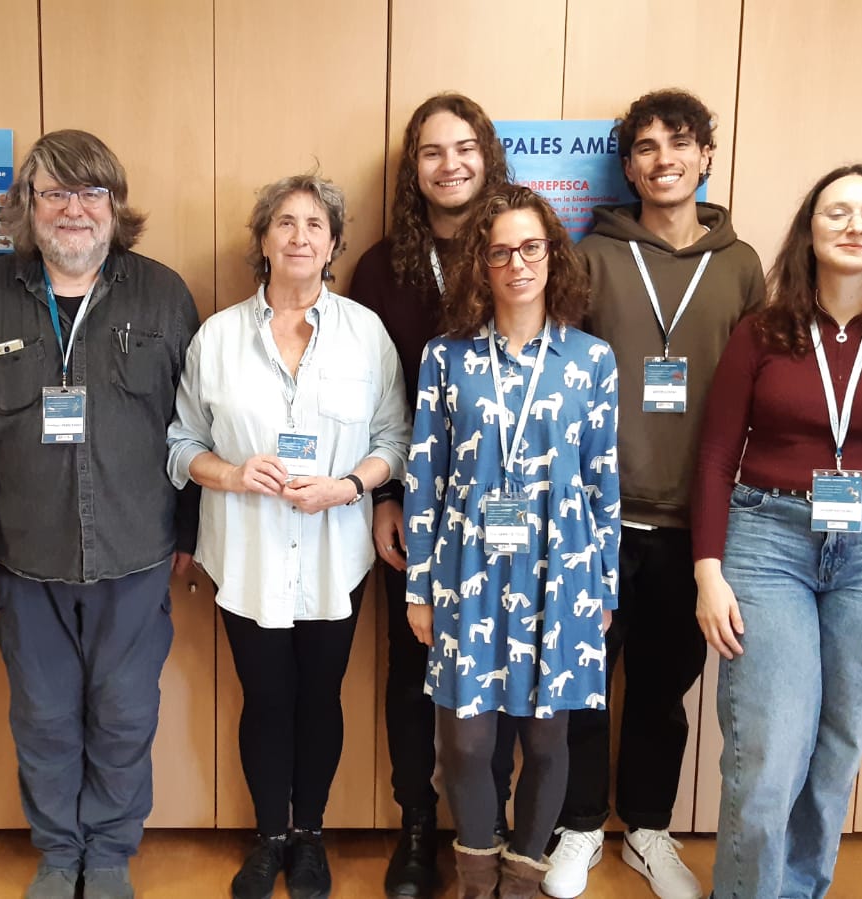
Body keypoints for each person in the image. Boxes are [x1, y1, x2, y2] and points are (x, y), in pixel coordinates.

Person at [692, 164, 862, 898]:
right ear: (809, 229)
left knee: (834, 759)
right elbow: (716, 457)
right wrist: (708, 570)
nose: (854, 225)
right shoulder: (763, 332)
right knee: (768, 753)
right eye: (836, 211)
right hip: (768, 541)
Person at [0, 129, 201, 899]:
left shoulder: (162, 294)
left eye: (91, 192)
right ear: (27, 205)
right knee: (43, 716)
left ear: (114, 206)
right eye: (54, 191)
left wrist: (189, 531)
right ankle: (60, 851)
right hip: (25, 555)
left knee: (125, 714)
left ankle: (111, 851)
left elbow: (196, 424)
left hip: (136, 550)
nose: (73, 209)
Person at [547, 88, 765, 899]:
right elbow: (560, 381)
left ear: (706, 155)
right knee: (581, 683)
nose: (663, 158)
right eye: (645, 146)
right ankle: (577, 825)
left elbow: (760, 387)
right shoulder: (591, 257)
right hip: (598, 516)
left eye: (679, 142)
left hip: (695, 524)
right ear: (628, 166)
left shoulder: (741, 265)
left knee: (663, 688)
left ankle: (645, 827)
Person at [168, 173, 410, 899]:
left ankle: (311, 837)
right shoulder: (216, 338)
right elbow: (180, 444)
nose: (300, 236)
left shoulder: (366, 334)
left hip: (336, 553)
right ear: (263, 241)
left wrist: (350, 486)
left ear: (333, 245)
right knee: (266, 697)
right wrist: (234, 473)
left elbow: (395, 438)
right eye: (285, 222)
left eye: (315, 225)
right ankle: (269, 836)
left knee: (321, 696)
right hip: (246, 553)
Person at [404, 185, 619, 899]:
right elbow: (425, 476)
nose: (517, 264)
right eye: (500, 252)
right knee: (466, 741)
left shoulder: (591, 360)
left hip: (561, 570)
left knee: (546, 740)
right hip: (467, 565)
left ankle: (522, 879)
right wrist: (418, 587)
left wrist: (604, 587)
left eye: (531, 248)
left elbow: (603, 480)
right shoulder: (446, 358)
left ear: (553, 256)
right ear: (481, 264)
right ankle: (476, 878)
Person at [346, 92, 518, 898]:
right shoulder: (382, 267)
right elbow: (367, 394)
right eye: (431, 151)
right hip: (414, 500)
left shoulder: (522, 248)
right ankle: (416, 822)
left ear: (487, 155)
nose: (449, 164)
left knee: (505, 664)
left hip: (513, 501)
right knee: (413, 666)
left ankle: (490, 826)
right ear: (411, 170)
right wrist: (382, 497)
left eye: (464, 147)